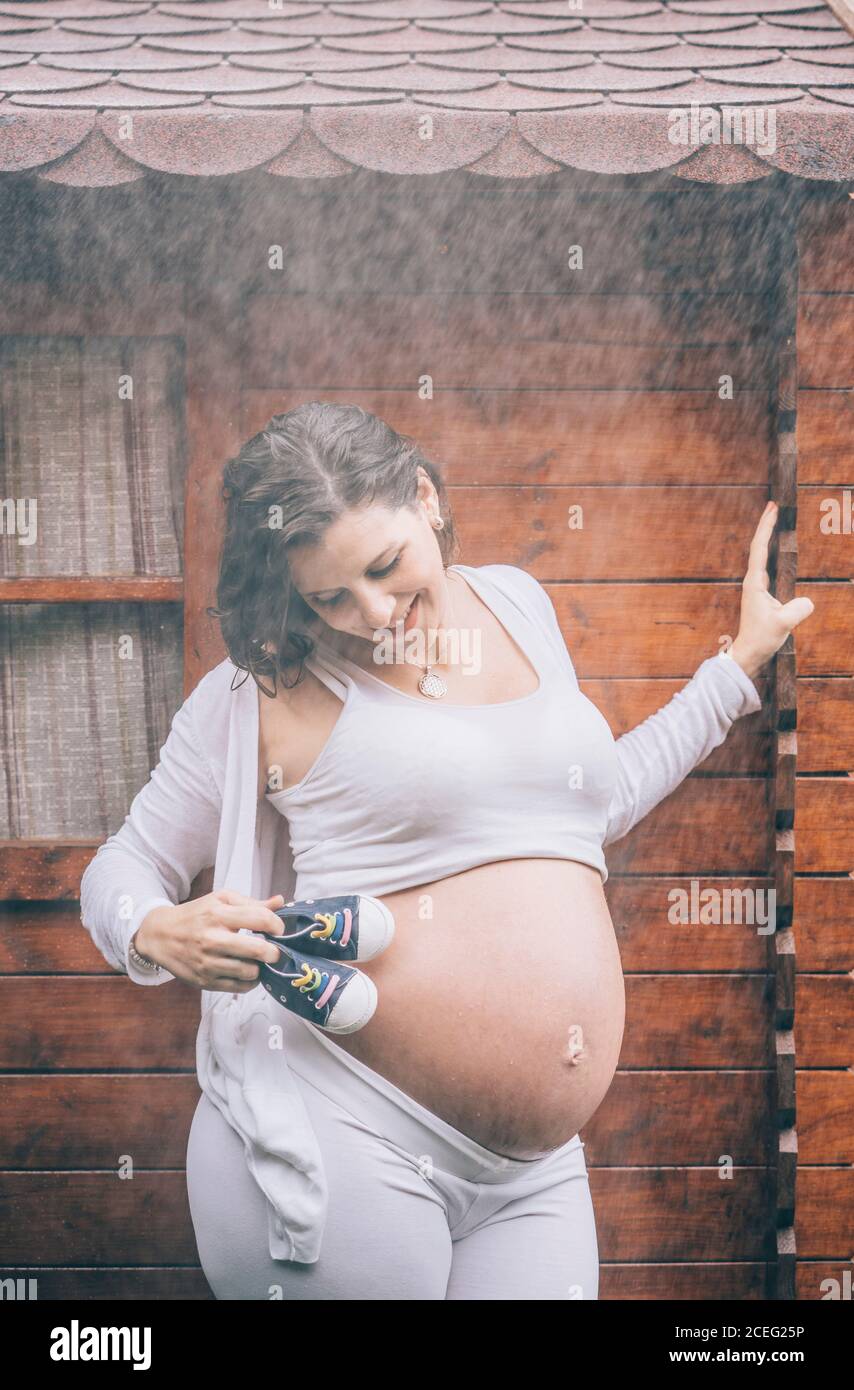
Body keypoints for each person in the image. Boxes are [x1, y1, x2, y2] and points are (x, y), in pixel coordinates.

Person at [79, 402, 813, 1300]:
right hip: (344, 1132)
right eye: (330, 598)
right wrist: (158, 930)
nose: (374, 613)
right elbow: (120, 869)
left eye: (387, 568)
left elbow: (589, 807)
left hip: (531, 1173)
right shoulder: (265, 688)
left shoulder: (515, 604)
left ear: (424, 497)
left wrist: (734, 669)